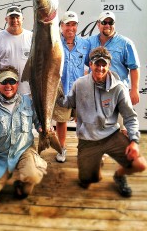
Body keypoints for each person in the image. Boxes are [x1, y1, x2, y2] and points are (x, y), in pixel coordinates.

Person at [57, 46, 146, 197]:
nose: (100, 68)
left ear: (109, 66)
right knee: (87, 180)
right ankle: (94, 164)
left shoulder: (119, 88)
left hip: (112, 135)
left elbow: (130, 117)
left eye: (104, 64)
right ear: (90, 65)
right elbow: (67, 102)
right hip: (88, 138)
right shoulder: (80, 83)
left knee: (140, 164)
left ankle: (119, 175)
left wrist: (134, 141)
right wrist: (53, 90)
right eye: (97, 64)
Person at [0, 65, 47, 205]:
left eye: (12, 81)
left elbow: (38, 121)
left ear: (17, 84)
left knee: (33, 177)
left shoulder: (28, 102)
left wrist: (43, 128)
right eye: (4, 82)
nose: (8, 85)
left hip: (24, 150)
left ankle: (20, 182)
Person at [87, 11, 140, 132]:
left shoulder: (126, 43)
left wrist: (135, 90)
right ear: (98, 24)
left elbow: (134, 67)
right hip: (96, 94)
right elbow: (85, 65)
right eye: (104, 22)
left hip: (119, 95)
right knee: (96, 131)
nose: (107, 25)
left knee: (122, 131)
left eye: (110, 22)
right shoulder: (89, 42)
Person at [53, 11, 90, 163]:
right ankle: (61, 148)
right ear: (61, 26)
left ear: (77, 27)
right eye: (67, 24)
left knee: (82, 120)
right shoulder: (54, 43)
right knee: (61, 121)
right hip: (61, 89)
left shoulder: (85, 44)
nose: (71, 28)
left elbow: (91, 64)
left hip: (80, 89)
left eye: (74, 24)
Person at [0, 5, 32, 95]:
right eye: (12, 17)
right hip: (6, 88)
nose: (15, 20)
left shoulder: (31, 37)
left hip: (28, 89)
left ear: (22, 19)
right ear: (6, 19)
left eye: (17, 17)